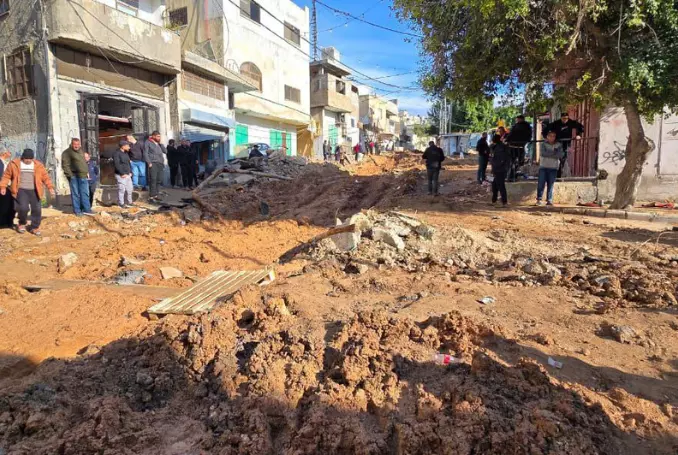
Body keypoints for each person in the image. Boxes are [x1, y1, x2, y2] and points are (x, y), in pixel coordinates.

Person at [0, 149, 55, 235]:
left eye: (30, 159)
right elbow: (6, 176)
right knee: (23, 208)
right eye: (26, 159)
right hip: (21, 190)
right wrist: (3, 186)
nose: (28, 160)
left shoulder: (38, 165)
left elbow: (45, 177)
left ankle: (35, 227)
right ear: (23, 157)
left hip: (35, 190)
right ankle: (22, 223)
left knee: (36, 209)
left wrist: (50, 187)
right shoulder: (14, 164)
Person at [544, 112, 585, 178]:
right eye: (563, 118)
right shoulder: (556, 123)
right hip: (557, 142)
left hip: (566, 142)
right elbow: (546, 129)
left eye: (566, 118)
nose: (565, 120)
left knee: (563, 158)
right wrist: (546, 137)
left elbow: (581, 127)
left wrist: (578, 135)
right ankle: (555, 174)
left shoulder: (571, 122)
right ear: (561, 118)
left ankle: (559, 174)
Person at [61, 138, 94, 216]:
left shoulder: (81, 151)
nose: (76, 146)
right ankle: (77, 211)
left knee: (85, 193)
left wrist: (86, 172)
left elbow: (83, 163)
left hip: (83, 176)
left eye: (78, 144)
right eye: (75, 144)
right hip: (74, 176)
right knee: (76, 194)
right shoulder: (67, 153)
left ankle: (87, 209)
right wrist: (70, 175)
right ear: (72, 144)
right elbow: (65, 165)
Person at [536, 130, 565, 206]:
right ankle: (539, 199)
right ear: (547, 137)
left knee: (551, 184)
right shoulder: (543, 144)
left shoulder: (559, 145)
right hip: (543, 166)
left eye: (553, 136)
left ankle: (549, 200)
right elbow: (543, 153)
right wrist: (554, 153)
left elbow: (560, 155)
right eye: (550, 136)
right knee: (541, 184)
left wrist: (550, 153)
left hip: (553, 167)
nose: (552, 138)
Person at [505, 115, 533, 181]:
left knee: (513, 162)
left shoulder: (517, 126)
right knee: (516, 162)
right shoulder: (527, 126)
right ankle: (513, 175)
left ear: (521, 119)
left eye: (517, 119)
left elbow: (511, 134)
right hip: (520, 145)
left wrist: (506, 140)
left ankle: (512, 176)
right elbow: (529, 135)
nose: (517, 121)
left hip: (515, 146)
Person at [143, 130, 166, 202]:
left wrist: (161, 144)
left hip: (160, 163)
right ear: (153, 136)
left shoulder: (159, 144)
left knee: (159, 179)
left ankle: (156, 195)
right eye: (158, 136)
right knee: (153, 179)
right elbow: (145, 153)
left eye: (160, 136)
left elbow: (165, 151)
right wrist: (149, 162)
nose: (159, 138)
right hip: (153, 163)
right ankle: (151, 196)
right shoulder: (148, 142)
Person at [490, 134, 510, 207]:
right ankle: (494, 201)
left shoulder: (501, 148)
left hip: (500, 170)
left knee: (501, 186)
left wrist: (495, 167)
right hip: (497, 169)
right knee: (494, 185)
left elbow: (500, 160)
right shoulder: (495, 147)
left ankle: (504, 202)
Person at [113, 139, 134, 208]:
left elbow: (128, 163)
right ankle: (121, 203)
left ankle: (130, 202)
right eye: (127, 146)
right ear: (122, 146)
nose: (129, 147)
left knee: (130, 189)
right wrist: (122, 173)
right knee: (122, 189)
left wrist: (130, 172)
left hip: (128, 174)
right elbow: (117, 164)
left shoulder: (126, 153)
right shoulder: (116, 154)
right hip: (121, 175)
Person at [0, 150, 15, 228]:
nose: (10, 154)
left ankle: (6, 222)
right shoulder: (1, 162)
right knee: (6, 205)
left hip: (6, 186)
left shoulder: (4, 162)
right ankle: (5, 222)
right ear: (4, 153)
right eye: (9, 152)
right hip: (3, 187)